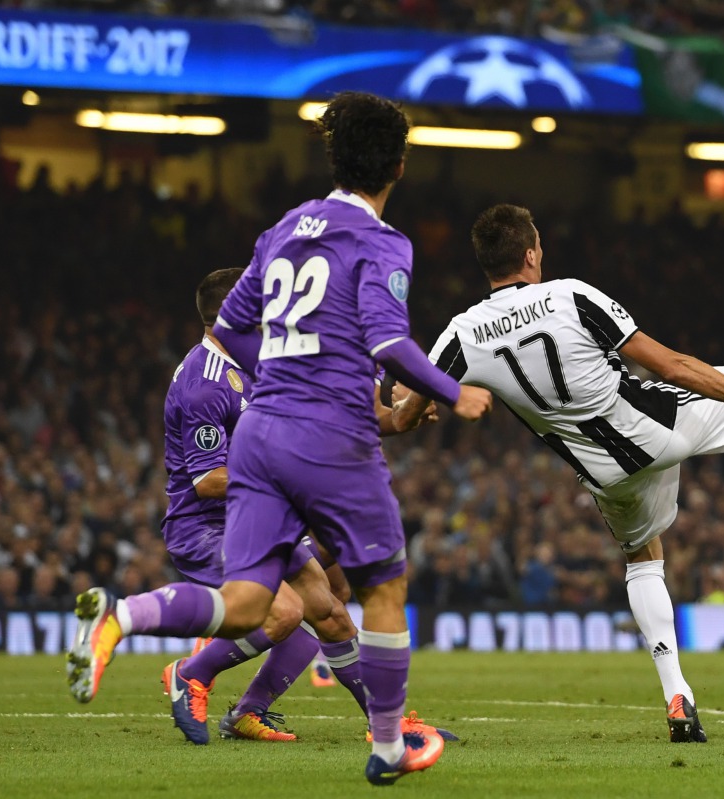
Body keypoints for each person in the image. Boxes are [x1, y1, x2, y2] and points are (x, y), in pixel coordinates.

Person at [67, 92, 491, 785]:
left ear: (333, 156)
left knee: (247, 603)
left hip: (260, 436)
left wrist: (304, 364)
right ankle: (388, 744)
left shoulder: (284, 227)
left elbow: (232, 330)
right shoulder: (382, 239)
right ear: (400, 165)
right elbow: (389, 339)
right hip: (324, 440)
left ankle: (123, 614)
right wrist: (454, 390)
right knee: (384, 583)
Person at [395, 204, 724, 743]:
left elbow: (410, 407)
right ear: (530, 253)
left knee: (642, 558)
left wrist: (413, 409)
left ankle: (677, 695)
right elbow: (672, 367)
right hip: (657, 429)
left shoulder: (460, 334)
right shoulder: (571, 295)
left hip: (604, 473)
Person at [156, 267, 375, 745]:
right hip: (208, 529)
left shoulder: (250, 362)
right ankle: (190, 673)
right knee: (284, 613)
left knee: (330, 610)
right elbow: (209, 480)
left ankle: (384, 724)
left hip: (260, 523)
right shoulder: (205, 385)